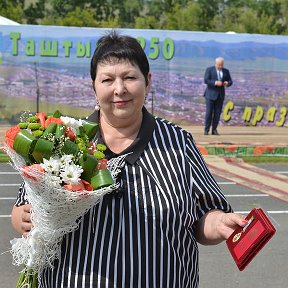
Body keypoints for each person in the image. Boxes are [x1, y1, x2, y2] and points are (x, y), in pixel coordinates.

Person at [11, 31, 246, 288]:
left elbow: (204, 217)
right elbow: (23, 208)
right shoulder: (62, 139)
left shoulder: (177, 142)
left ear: (148, 81)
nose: (119, 89)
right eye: (108, 79)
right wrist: (22, 218)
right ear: (93, 86)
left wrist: (220, 222)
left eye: (130, 77)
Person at [203, 57, 233, 135]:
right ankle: (206, 130)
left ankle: (214, 130)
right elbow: (206, 80)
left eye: (221, 65)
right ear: (215, 63)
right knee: (209, 113)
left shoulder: (226, 71)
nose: (220, 66)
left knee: (217, 113)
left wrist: (227, 83)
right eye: (219, 65)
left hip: (220, 96)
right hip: (210, 95)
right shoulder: (209, 70)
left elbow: (230, 81)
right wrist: (215, 83)